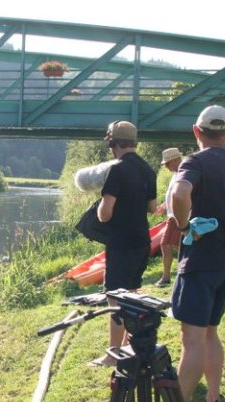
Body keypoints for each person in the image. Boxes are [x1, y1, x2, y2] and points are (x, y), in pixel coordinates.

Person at [168, 105, 225, 402]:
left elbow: (179, 194)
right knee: (210, 332)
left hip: (199, 262)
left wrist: (181, 225)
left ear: (196, 131)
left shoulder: (194, 161)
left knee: (191, 340)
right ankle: (214, 400)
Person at [89, 121, 158, 367]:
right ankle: (132, 344)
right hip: (142, 240)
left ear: (113, 143)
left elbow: (105, 214)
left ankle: (113, 354)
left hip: (120, 242)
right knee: (132, 294)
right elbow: (152, 208)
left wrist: (97, 208)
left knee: (115, 299)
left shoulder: (116, 170)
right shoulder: (148, 170)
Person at [154, 147, 184, 287]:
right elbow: (172, 195)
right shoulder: (176, 174)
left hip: (178, 216)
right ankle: (169, 277)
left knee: (168, 244)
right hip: (172, 216)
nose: (167, 166)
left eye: (168, 163)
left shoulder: (183, 173)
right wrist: (163, 206)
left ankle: (168, 277)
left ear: (176, 160)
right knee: (174, 246)